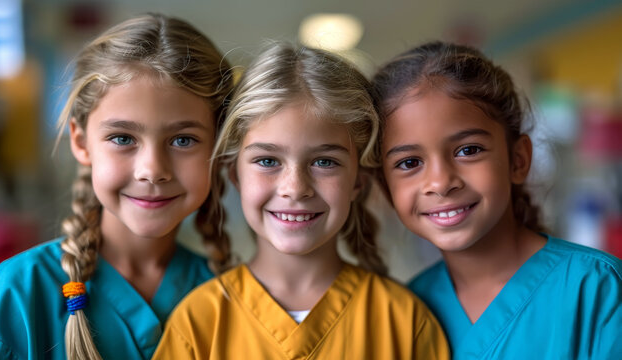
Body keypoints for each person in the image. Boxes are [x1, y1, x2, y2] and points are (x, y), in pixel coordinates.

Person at [152, 43, 450, 359]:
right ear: (235, 176)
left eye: (324, 162)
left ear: (358, 180)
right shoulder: (198, 322)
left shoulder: (404, 321)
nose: (295, 188)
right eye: (267, 161)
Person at [0, 13, 233, 360]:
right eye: (122, 137)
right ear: (81, 142)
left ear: (218, 147)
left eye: (183, 140)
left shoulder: (237, 300)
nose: (152, 171)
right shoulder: (20, 293)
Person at [372, 40, 622, 359]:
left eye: (468, 150)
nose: (440, 182)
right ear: (385, 187)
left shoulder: (596, 288)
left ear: (518, 160)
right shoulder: (404, 313)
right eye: (409, 163)